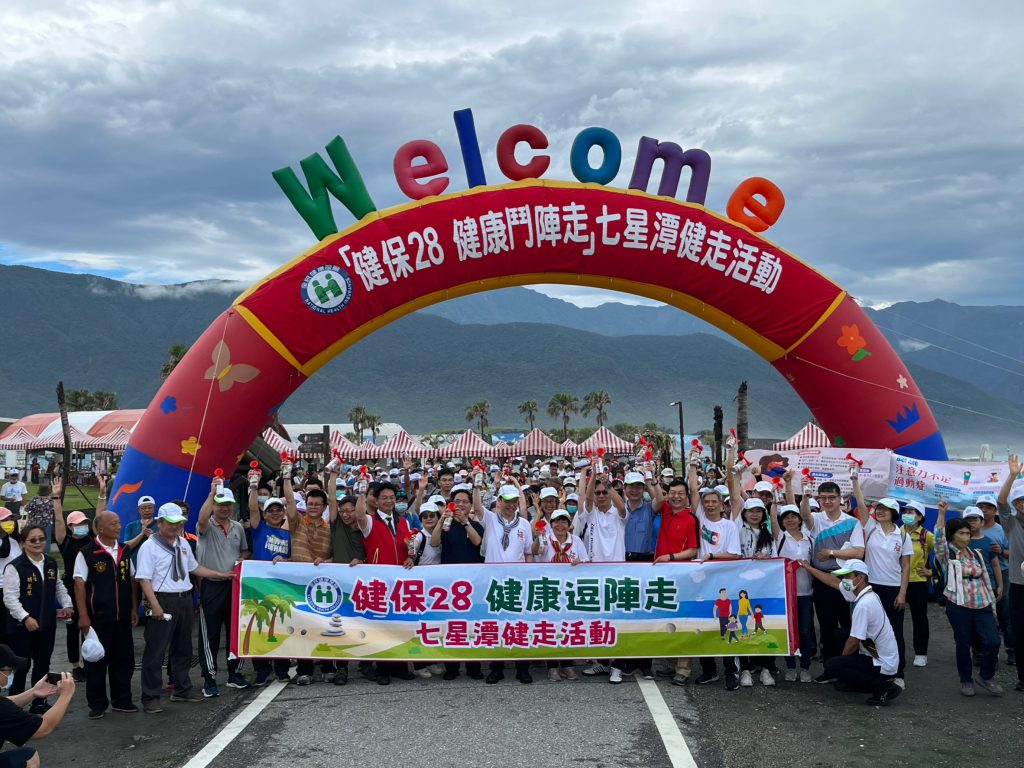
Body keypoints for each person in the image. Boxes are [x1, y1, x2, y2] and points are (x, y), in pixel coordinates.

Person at [135, 502, 235, 713]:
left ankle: (182, 688)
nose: (175, 526)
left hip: (184, 598)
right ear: (160, 523)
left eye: (179, 522)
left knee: (183, 647)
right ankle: (150, 696)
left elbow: (194, 568)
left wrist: (220, 574)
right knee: (156, 650)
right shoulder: (149, 546)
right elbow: (144, 579)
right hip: (162, 599)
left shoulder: (182, 543)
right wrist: (155, 606)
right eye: (171, 523)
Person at [801, 558, 902, 706]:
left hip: (881, 660)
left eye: (847, 576)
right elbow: (832, 581)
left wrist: (842, 663)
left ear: (860, 578)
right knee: (837, 635)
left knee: (834, 666)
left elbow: (854, 640)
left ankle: (883, 687)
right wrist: (808, 567)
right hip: (874, 649)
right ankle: (854, 679)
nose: (844, 580)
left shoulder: (864, 604)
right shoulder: (862, 593)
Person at [73, 511, 138, 718]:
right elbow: (79, 584)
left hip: (122, 617)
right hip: (98, 618)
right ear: (100, 528)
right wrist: (83, 615)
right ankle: (97, 704)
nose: (118, 527)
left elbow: (132, 579)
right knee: (96, 662)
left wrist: (134, 608)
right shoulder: (87, 553)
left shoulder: (125, 550)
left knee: (124, 660)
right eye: (113, 524)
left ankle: (122, 700)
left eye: (119, 522)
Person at [934, 500, 1002, 696]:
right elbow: (938, 540)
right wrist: (941, 514)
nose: (965, 536)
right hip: (959, 605)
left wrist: (993, 607)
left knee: (993, 641)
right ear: (952, 536)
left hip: (982, 604)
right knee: (963, 643)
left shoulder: (976, 555)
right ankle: (966, 680)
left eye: (967, 533)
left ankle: (986, 676)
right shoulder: (947, 555)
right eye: (961, 533)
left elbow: (986, 581)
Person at [2, 524, 72, 713]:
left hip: (46, 625)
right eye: (32, 540)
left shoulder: (50, 563)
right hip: (21, 628)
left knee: (43, 664)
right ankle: (14, 705)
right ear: (23, 543)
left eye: (41, 539)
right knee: (22, 666)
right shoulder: (15, 567)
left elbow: (59, 586)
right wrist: (25, 618)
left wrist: (67, 604)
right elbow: (9, 598)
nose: (38, 543)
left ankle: (39, 702)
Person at [472, 480, 536, 685]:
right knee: (496, 625)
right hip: (494, 582)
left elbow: (528, 553)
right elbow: (477, 507)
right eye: (506, 501)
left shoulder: (524, 524)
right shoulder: (491, 520)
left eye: (514, 501)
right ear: (499, 501)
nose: (510, 505)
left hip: (517, 583)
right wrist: (477, 485)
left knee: (519, 625)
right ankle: (496, 668)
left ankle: (522, 668)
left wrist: (529, 577)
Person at [352, 482, 416, 686]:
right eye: (384, 498)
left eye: (392, 498)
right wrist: (362, 493)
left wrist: (411, 557)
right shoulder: (370, 521)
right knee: (381, 626)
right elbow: (359, 515)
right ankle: (382, 669)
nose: (389, 501)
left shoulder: (403, 522)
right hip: (379, 583)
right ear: (376, 501)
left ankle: (400, 667)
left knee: (401, 624)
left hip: (401, 582)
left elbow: (411, 548)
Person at [799, 475, 865, 660]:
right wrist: (805, 495)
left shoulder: (852, 522)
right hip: (821, 579)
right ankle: (829, 663)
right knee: (826, 623)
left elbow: (859, 552)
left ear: (839, 498)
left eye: (831, 497)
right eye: (823, 498)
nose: (827, 502)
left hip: (846, 578)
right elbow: (804, 515)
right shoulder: (816, 519)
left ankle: (848, 661)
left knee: (848, 622)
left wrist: (831, 553)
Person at [196, 483, 250, 697]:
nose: (225, 508)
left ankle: (234, 673)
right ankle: (209, 677)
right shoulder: (207, 526)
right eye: (220, 504)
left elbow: (244, 551)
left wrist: (241, 561)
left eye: (228, 504)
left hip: (234, 585)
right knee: (210, 634)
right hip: (212, 585)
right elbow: (201, 519)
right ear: (214, 505)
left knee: (235, 631)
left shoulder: (238, 527)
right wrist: (211, 493)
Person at [853, 495, 911, 683]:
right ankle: (876, 667)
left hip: (893, 589)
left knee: (895, 631)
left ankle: (897, 672)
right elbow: (860, 503)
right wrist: (855, 481)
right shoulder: (870, 527)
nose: (880, 511)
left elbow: (906, 567)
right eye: (878, 508)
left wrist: (902, 593)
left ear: (894, 513)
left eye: (885, 509)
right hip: (871, 588)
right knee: (870, 631)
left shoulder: (903, 535)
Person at [246, 474, 293, 687]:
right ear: (264, 514)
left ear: (284, 513)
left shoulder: (289, 533)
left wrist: (286, 560)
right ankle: (262, 670)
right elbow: (252, 509)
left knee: (280, 625)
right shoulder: (259, 529)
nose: (275, 513)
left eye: (278, 510)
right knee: (259, 627)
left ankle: (282, 669)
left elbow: (295, 558)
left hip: (281, 587)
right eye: (270, 510)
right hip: (258, 585)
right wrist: (253, 487)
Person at [652, 478, 699, 686]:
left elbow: (693, 550)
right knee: (666, 618)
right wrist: (653, 479)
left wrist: (670, 557)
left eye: (680, 493)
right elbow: (655, 495)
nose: (676, 497)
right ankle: (671, 664)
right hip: (662, 576)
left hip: (682, 576)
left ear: (686, 496)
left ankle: (683, 669)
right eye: (672, 493)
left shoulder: (691, 519)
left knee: (683, 621)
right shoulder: (665, 510)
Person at [436, 487, 484, 682]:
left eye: (465, 501)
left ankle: (474, 666)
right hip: (449, 583)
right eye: (457, 501)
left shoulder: (476, 525)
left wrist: (465, 522)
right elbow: (434, 542)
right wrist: (442, 520)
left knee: (473, 625)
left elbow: (477, 541)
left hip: (473, 583)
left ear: (471, 505)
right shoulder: (446, 525)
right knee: (451, 625)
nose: (461, 504)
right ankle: (452, 667)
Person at [535, 508, 589, 681]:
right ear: (551, 524)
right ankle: (552, 665)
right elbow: (536, 552)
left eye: (564, 521)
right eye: (557, 521)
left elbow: (586, 562)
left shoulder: (576, 541)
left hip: (570, 591)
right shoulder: (546, 538)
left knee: (568, 627)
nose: (560, 525)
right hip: (549, 590)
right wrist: (538, 537)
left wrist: (580, 562)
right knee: (550, 628)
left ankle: (567, 663)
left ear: (569, 524)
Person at [0, 646, 76, 768]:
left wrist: (33, 692)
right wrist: (66, 695)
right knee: (28, 757)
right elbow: (43, 729)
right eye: (9, 670)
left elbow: (5, 703)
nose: (12, 673)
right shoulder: (3, 709)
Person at [771, 498, 816, 682]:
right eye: (786, 517)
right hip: (785, 594)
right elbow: (772, 520)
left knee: (805, 631)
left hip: (806, 593)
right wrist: (775, 503)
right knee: (788, 630)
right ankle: (790, 667)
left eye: (793, 517)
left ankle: (805, 667)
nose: (790, 520)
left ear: (800, 519)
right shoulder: (780, 537)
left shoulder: (809, 539)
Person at [53, 486, 92, 684]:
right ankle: (76, 666)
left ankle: (90, 661)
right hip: (70, 588)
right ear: (70, 527)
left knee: (89, 626)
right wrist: (55, 497)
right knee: (72, 629)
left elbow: (101, 512)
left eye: (84, 523)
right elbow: (59, 520)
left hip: (90, 587)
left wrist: (102, 493)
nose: (82, 526)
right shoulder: (65, 541)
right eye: (77, 524)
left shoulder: (92, 540)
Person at [996, 455, 1024, 692]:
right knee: (1020, 632)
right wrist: (1013, 476)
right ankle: (1023, 678)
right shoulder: (1011, 523)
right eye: (1020, 500)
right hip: (1018, 585)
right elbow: (1001, 501)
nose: (1023, 503)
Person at [977, 492, 1013, 665]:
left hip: (1003, 574)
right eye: (981, 507)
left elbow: (1015, 553)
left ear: (995, 510)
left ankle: (1012, 650)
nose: (984, 510)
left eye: (988, 508)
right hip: (978, 576)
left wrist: (1002, 551)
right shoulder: (971, 528)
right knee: (982, 614)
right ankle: (984, 652)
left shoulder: (1002, 530)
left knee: (1005, 613)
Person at [900, 500, 933, 668]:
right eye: (905, 511)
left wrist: (931, 572)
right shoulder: (896, 532)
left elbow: (943, 554)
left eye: (911, 512)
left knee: (919, 619)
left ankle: (921, 653)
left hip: (917, 582)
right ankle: (894, 652)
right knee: (893, 618)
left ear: (920, 517)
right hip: (897, 581)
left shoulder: (926, 535)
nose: (907, 514)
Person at [0, 509, 22, 646]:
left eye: (11, 520)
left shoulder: (14, 541)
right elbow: (4, 552)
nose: (9, 523)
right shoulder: (5, 542)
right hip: (1, 588)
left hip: (15, 589)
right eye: (5, 520)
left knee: (13, 627)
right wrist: (4, 535)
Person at [122, 496, 156, 565]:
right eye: (143, 508)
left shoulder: (161, 524)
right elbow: (126, 547)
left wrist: (153, 537)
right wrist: (142, 534)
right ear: (138, 510)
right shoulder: (131, 526)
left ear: (154, 508)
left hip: (156, 564)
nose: (147, 510)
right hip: (136, 565)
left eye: (150, 507)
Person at [21, 486, 55, 553]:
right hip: (46, 523)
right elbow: (55, 510)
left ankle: (33, 551)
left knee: (33, 538)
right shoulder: (51, 501)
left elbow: (26, 509)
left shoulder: (34, 499)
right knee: (45, 539)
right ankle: (45, 553)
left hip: (34, 523)